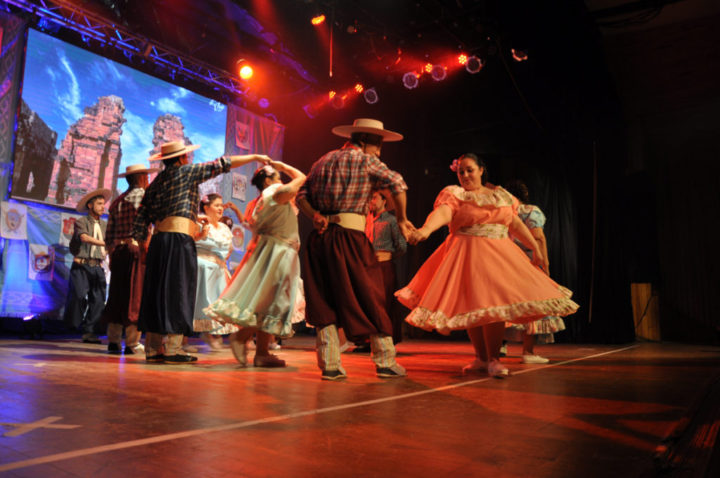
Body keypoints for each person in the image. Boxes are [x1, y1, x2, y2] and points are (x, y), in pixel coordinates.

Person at [398, 153, 579, 377]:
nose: (464, 175)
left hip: (499, 255)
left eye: (469, 170)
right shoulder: (455, 195)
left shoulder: (501, 196)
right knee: (474, 307)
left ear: (481, 170)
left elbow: (514, 223)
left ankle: (493, 359)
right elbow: (443, 213)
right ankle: (481, 358)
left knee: (493, 307)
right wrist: (424, 231)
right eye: (460, 171)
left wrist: (535, 249)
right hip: (466, 254)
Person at [297, 118, 416, 380]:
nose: (379, 151)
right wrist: (402, 218)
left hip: (321, 238)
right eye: (378, 144)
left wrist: (314, 214)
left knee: (323, 299)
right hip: (350, 236)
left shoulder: (323, 160)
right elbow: (397, 182)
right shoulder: (364, 160)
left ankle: (330, 364)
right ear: (365, 140)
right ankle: (384, 361)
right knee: (370, 294)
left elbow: (301, 195)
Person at [132, 140, 271, 364]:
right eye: (186, 156)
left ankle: (153, 347)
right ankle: (173, 348)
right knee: (179, 289)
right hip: (178, 241)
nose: (188, 159)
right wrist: (254, 157)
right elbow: (222, 164)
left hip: (159, 241)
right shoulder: (186, 172)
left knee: (157, 291)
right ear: (181, 158)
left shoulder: (157, 181)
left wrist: (142, 244)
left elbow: (142, 216)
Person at [204, 160, 306, 367]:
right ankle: (242, 336)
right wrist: (285, 166)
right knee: (273, 300)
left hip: (276, 250)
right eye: (277, 176)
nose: (281, 179)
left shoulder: (262, 199)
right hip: (279, 252)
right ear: (269, 180)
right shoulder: (275, 193)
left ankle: (262, 353)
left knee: (269, 299)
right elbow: (302, 179)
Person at [503, 179, 566, 364]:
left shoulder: (504, 212)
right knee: (533, 304)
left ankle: (500, 346)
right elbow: (538, 237)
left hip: (508, 262)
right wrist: (545, 263)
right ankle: (528, 352)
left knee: (507, 305)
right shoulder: (530, 211)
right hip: (529, 262)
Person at [102, 164, 157, 355]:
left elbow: (108, 236)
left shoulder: (117, 202)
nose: (148, 179)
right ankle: (133, 342)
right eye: (146, 176)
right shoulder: (145, 198)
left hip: (119, 251)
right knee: (135, 296)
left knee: (117, 296)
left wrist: (111, 254)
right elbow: (148, 227)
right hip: (137, 250)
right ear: (141, 178)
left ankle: (114, 340)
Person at [64, 188, 111, 344]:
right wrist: (104, 243)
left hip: (97, 266)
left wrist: (109, 249)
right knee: (78, 295)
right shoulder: (81, 222)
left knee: (98, 300)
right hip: (82, 265)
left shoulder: (105, 225)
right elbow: (84, 238)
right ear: (90, 205)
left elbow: (109, 243)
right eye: (99, 204)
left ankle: (90, 331)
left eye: (103, 204)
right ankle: (73, 325)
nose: (102, 207)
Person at [192, 193, 238, 350]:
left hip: (218, 269)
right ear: (206, 207)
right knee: (201, 303)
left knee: (219, 303)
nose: (220, 208)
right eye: (217, 205)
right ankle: (184, 340)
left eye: (221, 205)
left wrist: (222, 262)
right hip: (202, 268)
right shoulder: (199, 224)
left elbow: (229, 248)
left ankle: (215, 334)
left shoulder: (224, 227)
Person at [367, 189, 407, 344]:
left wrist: (387, 256)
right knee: (368, 302)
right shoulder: (366, 220)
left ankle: (386, 338)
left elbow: (402, 245)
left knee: (385, 302)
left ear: (384, 201)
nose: (371, 200)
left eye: (375, 197)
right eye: (370, 198)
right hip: (367, 266)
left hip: (384, 266)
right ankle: (368, 340)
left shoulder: (391, 221)